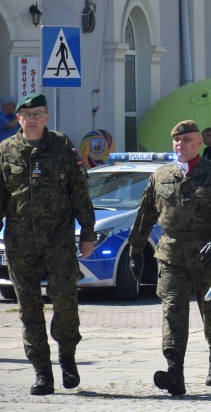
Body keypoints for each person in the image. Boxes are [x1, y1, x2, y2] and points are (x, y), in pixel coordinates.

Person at [127, 119, 211, 396]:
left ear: (199, 143)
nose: (181, 145)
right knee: (172, 310)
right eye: (177, 141)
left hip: (208, 253)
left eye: (187, 140)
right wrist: (135, 250)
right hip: (171, 254)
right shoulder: (161, 176)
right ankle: (174, 371)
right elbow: (145, 215)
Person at [0, 92, 94, 396]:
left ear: (46, 117)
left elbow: (79, 189)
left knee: (66, 301)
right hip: (20, 241)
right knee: (29, 308)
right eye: (26, 116)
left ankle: (67, 357)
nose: (32, 120)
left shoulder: (62, 145)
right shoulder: (6, 151)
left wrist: (88, 232)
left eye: (38, 114)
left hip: (59, 240)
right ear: (18, 118)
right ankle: (42, 372)